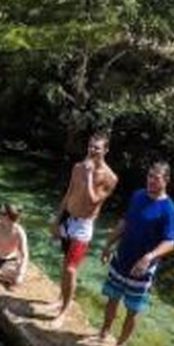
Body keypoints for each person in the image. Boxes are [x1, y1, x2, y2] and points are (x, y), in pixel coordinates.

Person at [99, 162, 174, 346]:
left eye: (156, 178)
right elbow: (125, 222)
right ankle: (104, 332)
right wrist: (108, 244)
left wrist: (149, 257)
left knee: (132, 309)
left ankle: (120, 345)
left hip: (141, 269)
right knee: (112, 299)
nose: (151, 180)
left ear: (166, 180)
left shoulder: (168, 208)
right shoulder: (138, 195)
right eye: (149, 176)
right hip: (121, 258)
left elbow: (170, 243)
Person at [42, 133, 118, 327]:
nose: (92, 150)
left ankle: (64, 311)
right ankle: (60, 299)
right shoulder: (77, 167)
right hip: (68, 218)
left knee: (71, 268)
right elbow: (69, 193)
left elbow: (93, 201)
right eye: (90, 146)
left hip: (83, 226)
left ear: (106, 150)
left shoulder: (110, 177)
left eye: (97, 148)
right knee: (65, 264)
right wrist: (57, 219)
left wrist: (90, 175)